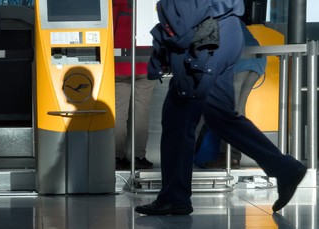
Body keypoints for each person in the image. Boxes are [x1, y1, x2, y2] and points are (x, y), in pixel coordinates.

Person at [135, 0, 307, 215]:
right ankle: (286, 168)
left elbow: (184, 20)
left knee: (178, 117)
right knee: (220, 115)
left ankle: (174, 197)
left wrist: (166, 48)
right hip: (221, 37)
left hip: (205, 42)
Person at [196, 19, 267, 169]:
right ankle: (232, 156)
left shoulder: (205, 14)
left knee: (227, 111)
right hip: (256, 59)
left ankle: (229, 157)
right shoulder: (227, 12)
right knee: (237, 110)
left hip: (237, 61)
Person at [113, 0, 156, 170]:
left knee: (118, 111)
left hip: (117, 67)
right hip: (145, 66)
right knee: (141, 111)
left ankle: (117, 156)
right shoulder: (148, 5)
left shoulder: (112, 5)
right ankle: (138, 156)